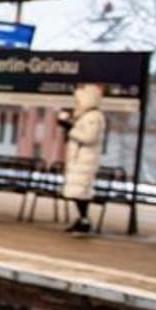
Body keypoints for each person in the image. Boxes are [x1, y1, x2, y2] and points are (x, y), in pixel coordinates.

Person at [59, 82, 106, 234]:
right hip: (78, 159)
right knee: (77, 191)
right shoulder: (84, 116)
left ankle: (84, 220)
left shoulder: (94, 117)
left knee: (81, 191)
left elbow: (89, 137)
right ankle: (82, 219)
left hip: (85, 159)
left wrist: (70, 129)